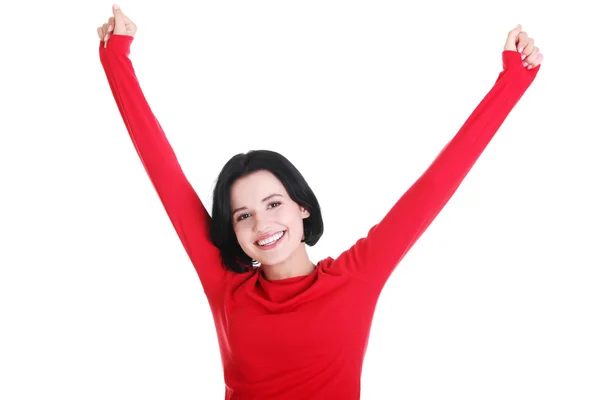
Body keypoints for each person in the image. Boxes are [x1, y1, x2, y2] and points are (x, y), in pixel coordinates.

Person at [97, 4, 543, 399]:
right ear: (231, 230)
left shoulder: (356, 277)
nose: (261, 224)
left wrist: (512, 82)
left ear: (302, 207)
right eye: (243, 215)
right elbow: (162, 170)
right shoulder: (225, 288)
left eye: (274, 204)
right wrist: (116, 57)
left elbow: (438, 182)